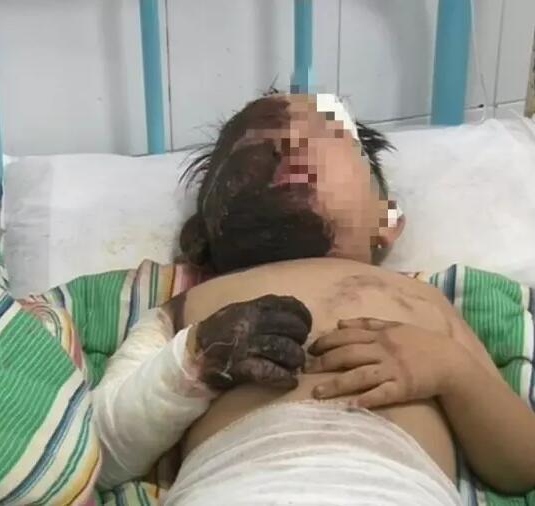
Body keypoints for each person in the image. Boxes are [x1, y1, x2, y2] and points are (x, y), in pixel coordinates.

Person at [93, 94, 535, 505]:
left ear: (386, 219)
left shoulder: (424, 300)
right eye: (251, 146)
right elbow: (105, 451)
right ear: (202, 234)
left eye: (325, 134)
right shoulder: (187, 306)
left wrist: (451, 371)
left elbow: (520, 463)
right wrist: (194, 360)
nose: (283, 146)